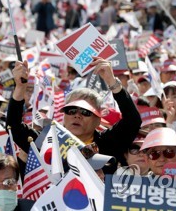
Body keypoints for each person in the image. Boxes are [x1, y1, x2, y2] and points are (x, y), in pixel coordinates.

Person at [7, 57, 141, 174]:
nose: (77, 116)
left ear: (98, 120)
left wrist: (112, 82)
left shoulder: (108, 143)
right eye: (71, 110)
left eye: (85, 112)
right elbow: (14, 127)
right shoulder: (49, 142)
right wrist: (19, 88)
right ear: (64, 115)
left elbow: (133, 121)